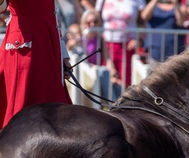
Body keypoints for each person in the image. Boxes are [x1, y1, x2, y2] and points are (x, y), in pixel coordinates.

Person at [0, 0, 72, 129]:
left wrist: (63, 54)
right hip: (25, 49)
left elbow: (53, 16)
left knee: (54, 110)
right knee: (21, 111)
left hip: (48, 44)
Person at [95, 0, 146, 87]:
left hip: (129, 47)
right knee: (108, 83)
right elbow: (96, 20)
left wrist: (139, 39)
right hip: (106, 46)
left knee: (126, 85)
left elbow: (145, 22)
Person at [80, 9, 121, 100]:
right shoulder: (80, 38)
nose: (92, 25)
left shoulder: (100, 38)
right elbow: (82, 61)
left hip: (98, 70)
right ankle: (112, 105)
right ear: (84, 23)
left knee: (118, 85)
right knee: (103, 72)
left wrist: (113, 74)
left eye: (95, 21)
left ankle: (119, 108)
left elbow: (107, 59)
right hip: (86, 71)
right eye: (89, 22)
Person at [141, 0, 187, 69]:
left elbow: (181, 22)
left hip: (175, 55)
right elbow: (144, 16)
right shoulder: (154, 6)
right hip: (155, 53)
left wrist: (175, 4)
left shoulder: (181, 7)